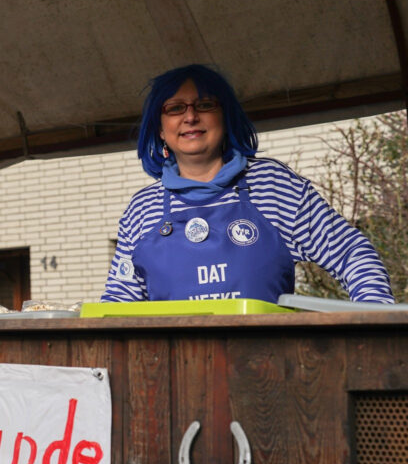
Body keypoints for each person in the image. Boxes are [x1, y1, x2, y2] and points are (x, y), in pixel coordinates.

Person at [102, 64, 393, 303]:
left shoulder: (273, 186)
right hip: (174, 359)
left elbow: (352, 253)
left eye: (205, 104)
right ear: (160, 129)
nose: (190, 116)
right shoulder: (142, 209)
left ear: (225, 117)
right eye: (175, 108)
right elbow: (118, 302)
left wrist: (372, 322)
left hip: (268, 358)